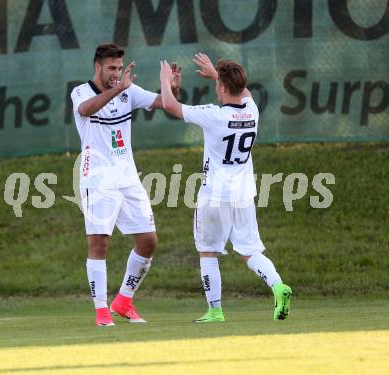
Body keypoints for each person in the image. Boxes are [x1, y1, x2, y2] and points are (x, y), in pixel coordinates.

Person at [159, 53, 292, 322]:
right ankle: (278, 286)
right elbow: (244, 92)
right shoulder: (252, 111)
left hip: (214, 195)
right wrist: (217, 76)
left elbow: (171, 106)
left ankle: (215, 311)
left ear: (221, 87)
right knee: (250, 251)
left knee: (208, 251)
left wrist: (164, 81)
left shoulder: (213, 115)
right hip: (243, 195)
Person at [71, 43, 181, 327]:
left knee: (148, 242)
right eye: (111, 68)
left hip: (128, 179)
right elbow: (85, 110)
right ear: (97, 66)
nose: (116, 73)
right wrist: (119, 89)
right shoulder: (81, 92)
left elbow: (164, 104)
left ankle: (124, 300)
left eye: (119, 68)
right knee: (99, 243)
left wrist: (172, 87)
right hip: (97, 179)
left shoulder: (128, 90)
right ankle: (101, 311)